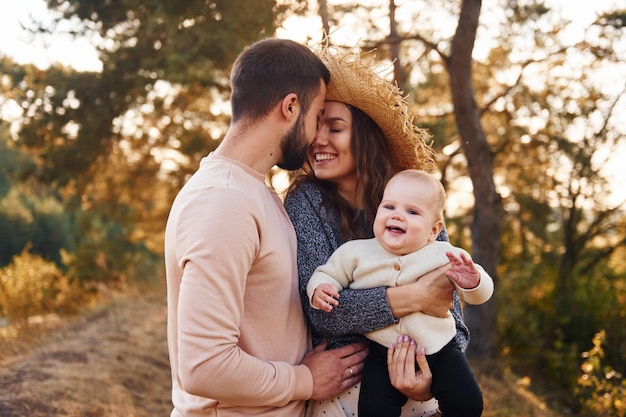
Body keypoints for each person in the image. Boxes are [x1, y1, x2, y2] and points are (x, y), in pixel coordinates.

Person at [164, 38, 369, 417]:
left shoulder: (254, 192)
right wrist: (304, 381)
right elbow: (203, 366)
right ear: (291, 106)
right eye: (316, 114)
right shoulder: (223, 203)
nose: (314, 135)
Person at [284, 44, 471, 417]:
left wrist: (427, 385)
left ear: (365, 136)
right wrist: (416, 295)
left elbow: (452, 318)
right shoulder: (306, 202)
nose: (318, 140)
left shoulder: (415, 202)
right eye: (314, 125)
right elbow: (325, 313)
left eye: (334, 127)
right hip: (344, 396)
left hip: (419, 389)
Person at [308, 169, 494, 417]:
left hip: (440, 349)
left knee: (467, 404)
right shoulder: (355, 252)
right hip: (382, 352)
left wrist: (474, 282)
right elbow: (326, 273)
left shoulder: (443, 254)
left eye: (412, 212)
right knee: (374, 410)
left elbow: (476, 296)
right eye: (389, 207)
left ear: (433, 230)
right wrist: (320, 289)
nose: (397, 216)